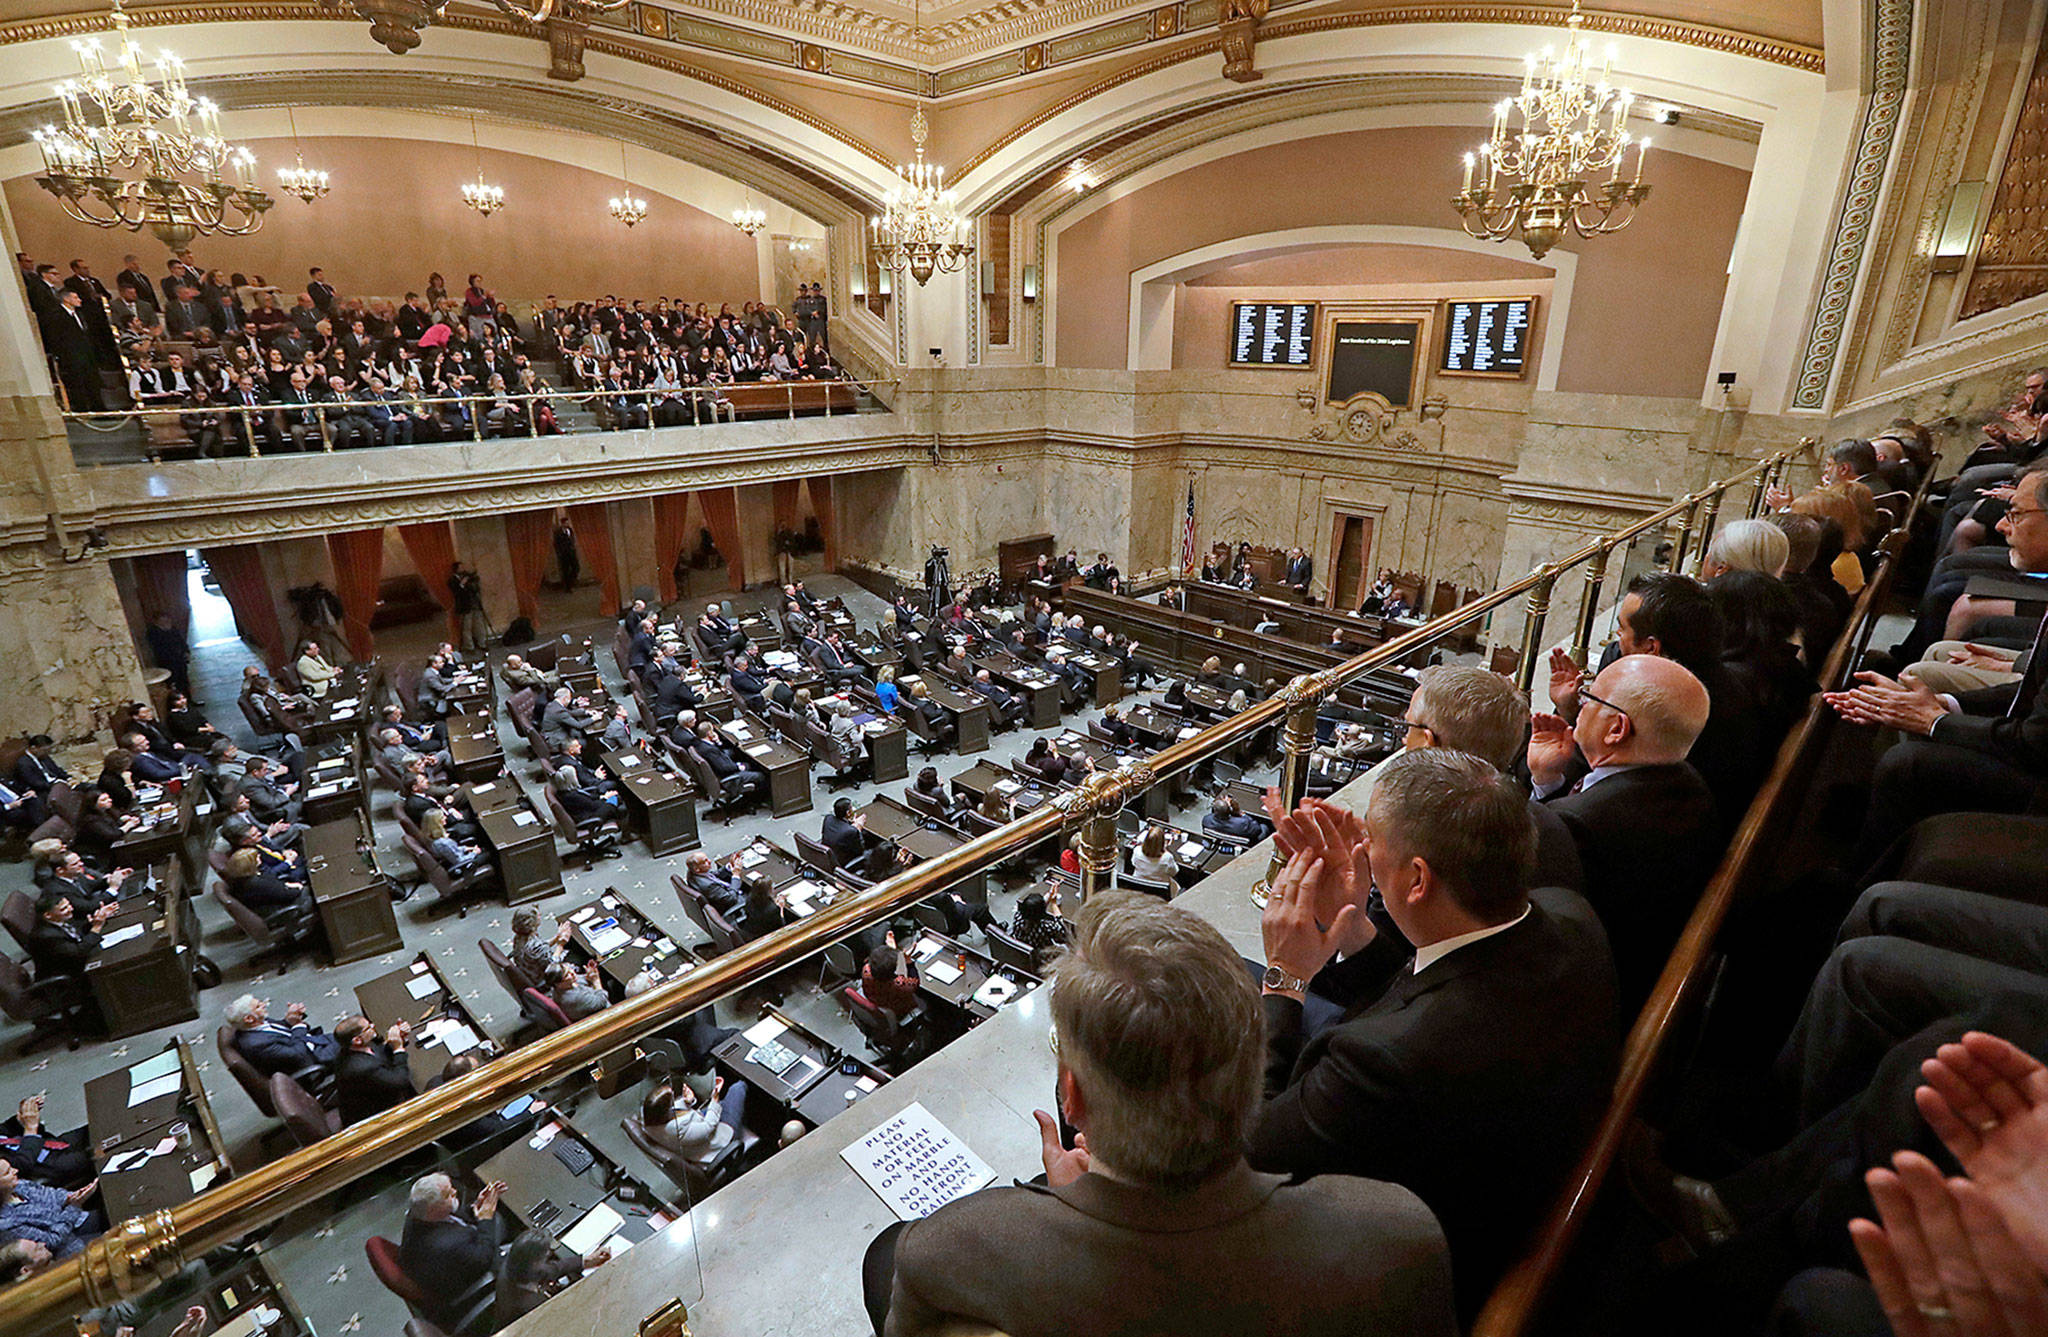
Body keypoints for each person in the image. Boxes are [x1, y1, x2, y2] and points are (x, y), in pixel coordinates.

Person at [867, 890, 1456, 1337]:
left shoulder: (948, 1250)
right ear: (1257, 1073)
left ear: (1072, 1100)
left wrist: (1071, 1206)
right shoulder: (1399, 1235)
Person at [1253, 751, 1619, 1318]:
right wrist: (1353, 927)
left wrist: (1284, 979)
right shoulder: (1569, 915)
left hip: (1413, 1279)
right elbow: (1434, 983)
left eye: (1372, 842)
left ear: (1418, 878)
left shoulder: (1381, 1063)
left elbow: (1251, 1148)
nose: (1364, 854)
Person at [1529, 653, 1718, 1009]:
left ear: (1617, 729)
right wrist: (1547, 780)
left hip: (1585, 1000)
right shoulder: (1692, 786)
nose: (1579, 707)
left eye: (1589, 699)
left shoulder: (1576, 826)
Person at [400, 1172, 505, 1328]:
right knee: (502, 1226)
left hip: (457, 1257)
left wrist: (475, 1207)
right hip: (472, 1279)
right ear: (433, 1209)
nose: (455, 1191)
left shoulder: (417, 1215)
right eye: (448, 1194)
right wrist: (485, 1218)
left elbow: (453, 1219)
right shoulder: (446, 1246)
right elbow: (484, 1257)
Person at [495, 1229, 608, 1327]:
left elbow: (549, 1269)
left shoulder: (514, 1265)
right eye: (546, 1256)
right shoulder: (530, 1306)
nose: (549, 1256)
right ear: (535, 1263)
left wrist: (585, 1261)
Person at [639, 1075, 752, 1167]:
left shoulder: (650, 1118)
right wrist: (714, 1098)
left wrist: (687, 1101)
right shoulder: (678, 1130)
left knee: (725, 1103)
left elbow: (674, 1111)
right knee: (738, 1088)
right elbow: (709, 1126)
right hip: (720, 1141)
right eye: (673, 1099)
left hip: (697, 1126)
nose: (677, 1099)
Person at [0, 1159, 100, 1260]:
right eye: (8, 1172)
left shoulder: (19, 1185)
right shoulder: (5, 1224)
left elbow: (52, 1194)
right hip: (67, 1248)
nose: (15, 1170)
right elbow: (52, 1240)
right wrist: (74, 1207)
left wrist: (71, 1196)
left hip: (75, 1220)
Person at [224, 994, 340, 1077]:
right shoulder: (257, 1044)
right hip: (312, 1061)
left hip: (313, 1044)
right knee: (352, 1040)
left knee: (347, 1031)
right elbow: (298, 1054)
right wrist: (298, 1026)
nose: (264, 1005)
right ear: (249, 1019)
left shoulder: (259, 1022)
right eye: (258, 1006)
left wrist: (291, 1018)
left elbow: (281, 1031)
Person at [332, 1015, 417, 1126]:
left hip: (380, 1093)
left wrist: (399, 1038)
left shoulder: (359, 1046)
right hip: (378, 1117)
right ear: (357, 1040)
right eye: (368, 1027)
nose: (373, 1026)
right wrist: (399, 1049)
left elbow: (381, 1053)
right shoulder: (361, 1067)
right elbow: (400, 1081)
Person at [25, 890, 112, 979]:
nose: (71, 909)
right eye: (64, 909)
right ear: (48, 915)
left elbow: (76, 933)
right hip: (68, 979)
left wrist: (95, 921)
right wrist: (96, 927)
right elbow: (78, 952)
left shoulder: (58, 919)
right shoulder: (46, 936)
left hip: (76, 962)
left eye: (69, 905)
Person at [507, 905, 571, 988]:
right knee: (575, 955)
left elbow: (541, 948)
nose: (540, 915)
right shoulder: (536, 946)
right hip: (543, 982)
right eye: (538, 915)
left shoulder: (519, 937)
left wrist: (556, 937)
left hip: (530, 972)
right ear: (531, 923)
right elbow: (552, 967)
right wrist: (560, 945)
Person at [859, 943, 921, 1021]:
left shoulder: (866, 971)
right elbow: (915, 981)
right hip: (899, 1010)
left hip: (875, 999)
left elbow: (881, 964)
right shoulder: (901, 986)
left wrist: (891, 950)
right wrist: (908, 962)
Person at [448, 562, 489, 653]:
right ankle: (470, 646)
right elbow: (457, 592)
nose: (463, 569)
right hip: (465, 607)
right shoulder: (452, 580)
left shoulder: (469, 578)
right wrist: (462, 584)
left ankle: (482, 643)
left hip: (475, 605)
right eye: (460, 568)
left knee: (479, 625)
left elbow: (475, 588)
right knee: (466, 627)